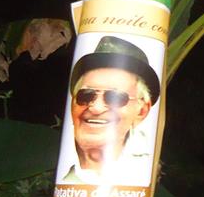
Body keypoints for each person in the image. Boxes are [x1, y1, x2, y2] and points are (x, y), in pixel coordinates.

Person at [62, 36, 160, 185]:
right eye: (86, 95)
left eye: (115, 97)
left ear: (142, 110)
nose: (96, 108)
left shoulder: (143, 182)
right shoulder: (48, 175)